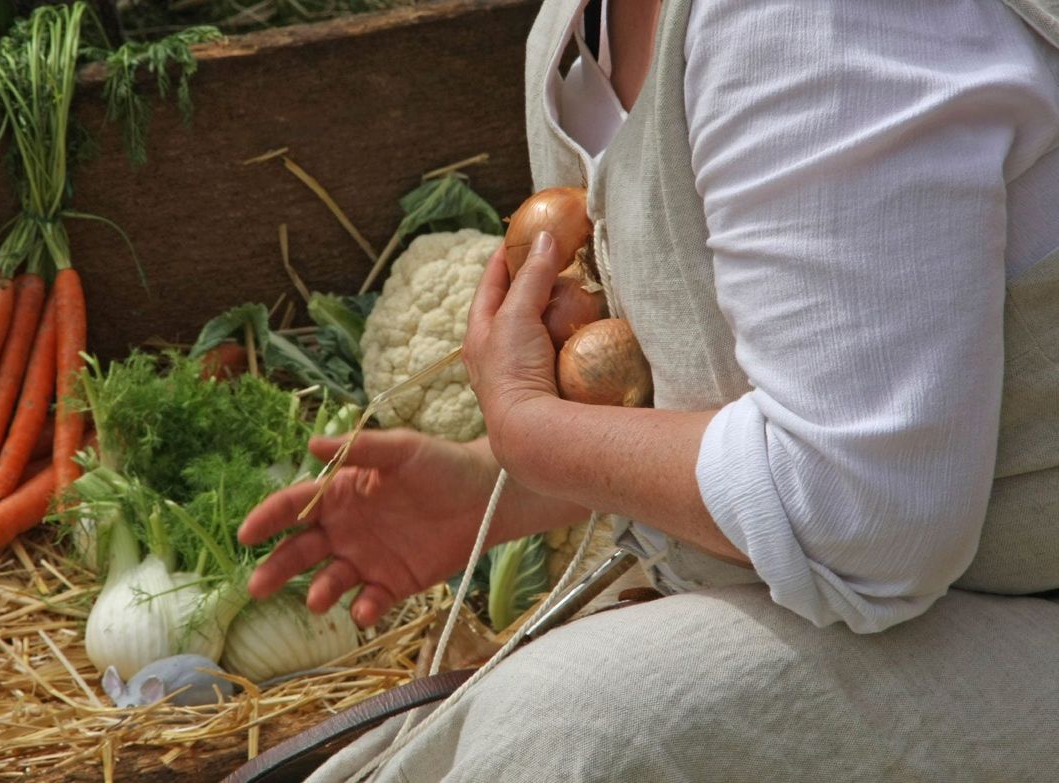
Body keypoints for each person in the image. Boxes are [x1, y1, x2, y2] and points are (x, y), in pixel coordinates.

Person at [238, 0, 1059, 779]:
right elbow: (763, 383)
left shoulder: (814, 26)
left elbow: (862, 510)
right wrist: (502, 482)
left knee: (576, 730)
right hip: (926, 599)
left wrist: (537, 435)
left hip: (1020, 601)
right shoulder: (578, 24)